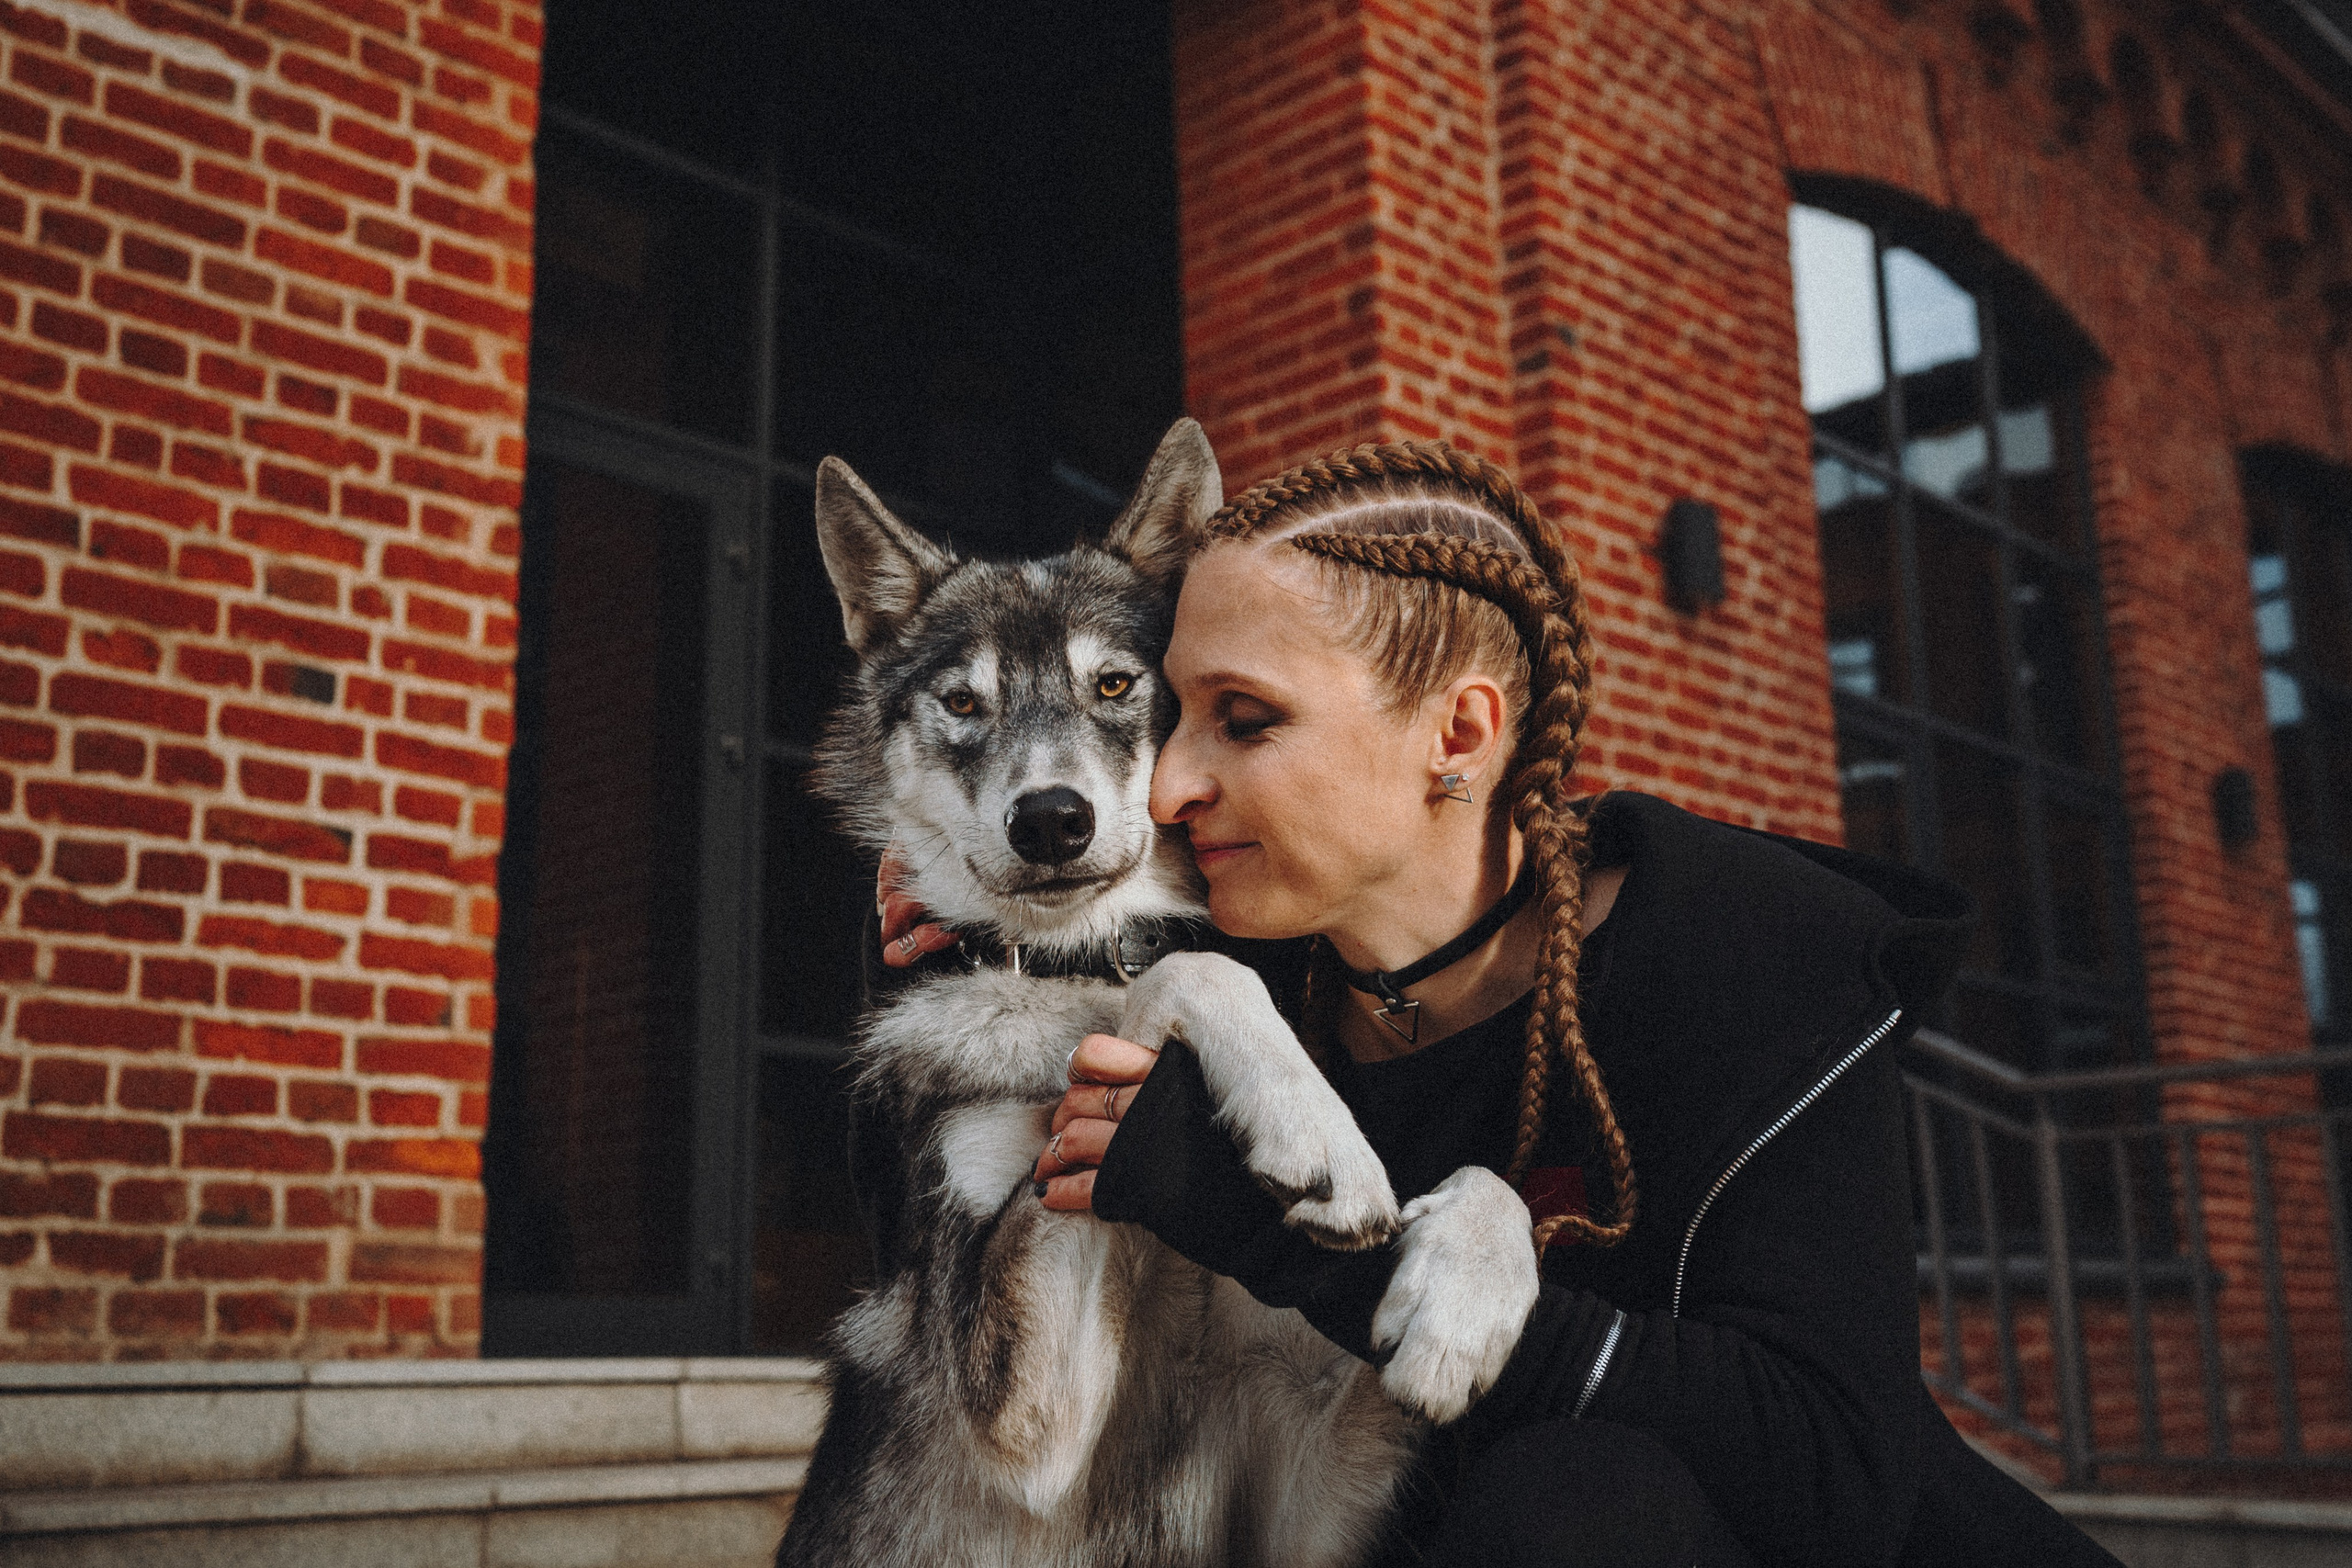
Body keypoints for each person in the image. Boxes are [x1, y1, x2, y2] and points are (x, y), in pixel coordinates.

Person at [876, 441, 2120, 1567]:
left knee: (1575, 1500)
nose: (1170, 782)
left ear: (1457, 735)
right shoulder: (1249, 976)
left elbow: (1834, 1480)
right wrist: (964, 890)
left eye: (1241, 721)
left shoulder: (1739, 955)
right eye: (1170, 711)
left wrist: (1291, 1243)